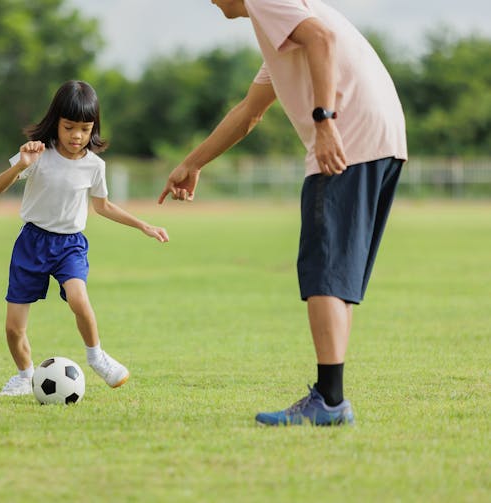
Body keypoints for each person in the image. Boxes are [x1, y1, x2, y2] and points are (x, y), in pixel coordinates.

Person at [159, 0, 407, 425]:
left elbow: (322, 39)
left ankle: (329, 401)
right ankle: (331, 396)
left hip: (347, 139)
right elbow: (249, 112)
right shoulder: (279, 27)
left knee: (324, 272)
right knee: (336, 276)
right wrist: (193, 162)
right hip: (381, 140)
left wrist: (325, 121)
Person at [0, 80, 169, 396]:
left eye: (85, 128)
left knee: (78, 298)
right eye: (69, 126)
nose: (77, 135)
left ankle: (96, 356)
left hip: (69, 244)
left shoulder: (94, 166)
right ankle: (24, 375)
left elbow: (103, 206)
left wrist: (142, 225)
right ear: (55, 123)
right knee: (13, 328)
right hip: (31, 242)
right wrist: (22, 163)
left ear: (93, 128)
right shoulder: (37, 155)